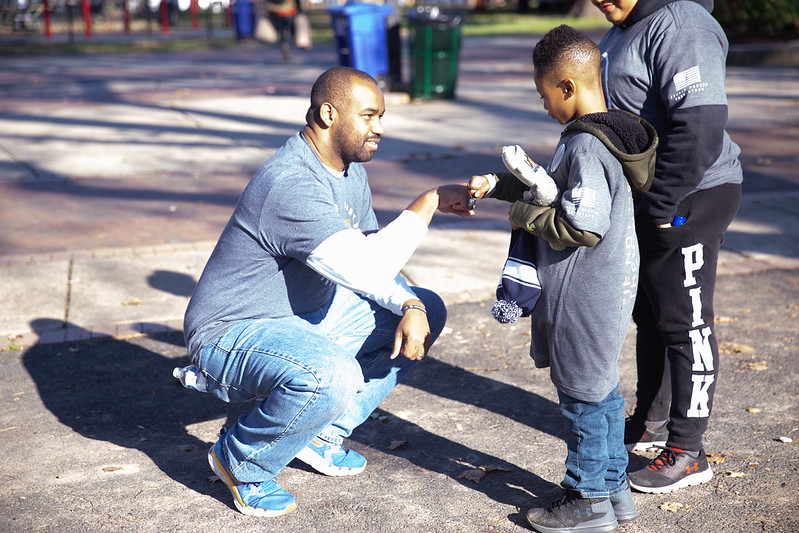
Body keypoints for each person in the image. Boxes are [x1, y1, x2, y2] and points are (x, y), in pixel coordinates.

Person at [183, 66, 473, 517]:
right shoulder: (289, 182)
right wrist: (427, 204)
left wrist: (414, 304)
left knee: (426, 310)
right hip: (231, 332)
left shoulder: (348, 170)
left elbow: (373, 259)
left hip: (304, 316)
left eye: (382, 116)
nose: (380, 128)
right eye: (369, 116)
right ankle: (242, 460)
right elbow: (364, 267)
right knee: (333, 373)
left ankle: (319, 433)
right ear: (328, 113)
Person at [468, 25, 657, 533]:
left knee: (582, 398)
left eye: (544, 94)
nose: (543, 105)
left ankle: (587, 499)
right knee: (601, 392)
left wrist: (523, 218)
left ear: (567, 86)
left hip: (583, 293)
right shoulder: (610, 132)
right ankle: (614, 490)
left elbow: (582, 225)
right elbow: (555, 190)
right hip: (605, 289)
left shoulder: (586, 148)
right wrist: (499, 185)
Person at [591, 0, 743, 494]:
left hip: (690, 195)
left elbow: (699, 126)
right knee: (651, 315)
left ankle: (689, 452)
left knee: (685, 322)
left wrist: (662, 205)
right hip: (651, 201)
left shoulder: (683, 24)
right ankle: (650, 424)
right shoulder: (623, 31)